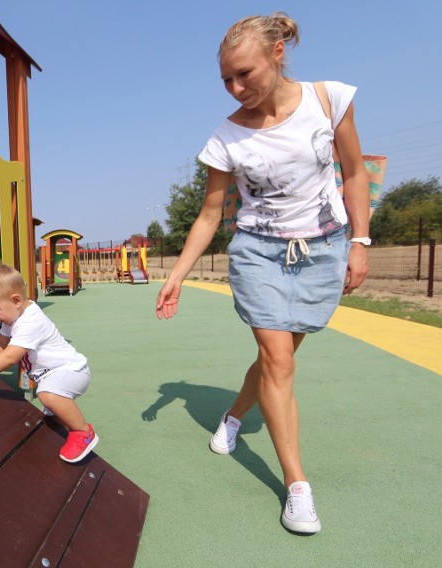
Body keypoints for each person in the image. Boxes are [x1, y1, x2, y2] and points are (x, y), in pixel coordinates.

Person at [155, 12, 369, 535]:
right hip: (257, 253)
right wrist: (178, 273)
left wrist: (360, 241)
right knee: (278, 360)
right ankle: (298, 487)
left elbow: (355, 171)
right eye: (226, 79)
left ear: (277, 53)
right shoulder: (226, 137)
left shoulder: (329, 99)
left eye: (244, 74)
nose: (235, 88)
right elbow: (210, 213)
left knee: (278, 360)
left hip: (322, 248)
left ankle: (231, 418)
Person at [0, 263, 98, 463]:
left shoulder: (31, 321)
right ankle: (62, 419)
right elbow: (1, 342)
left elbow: (10, 356)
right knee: (50, 408)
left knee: (47, 394)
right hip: (54, 374)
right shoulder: (13, 317)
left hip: (72, 371)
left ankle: (83, 432)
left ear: (16, 300)